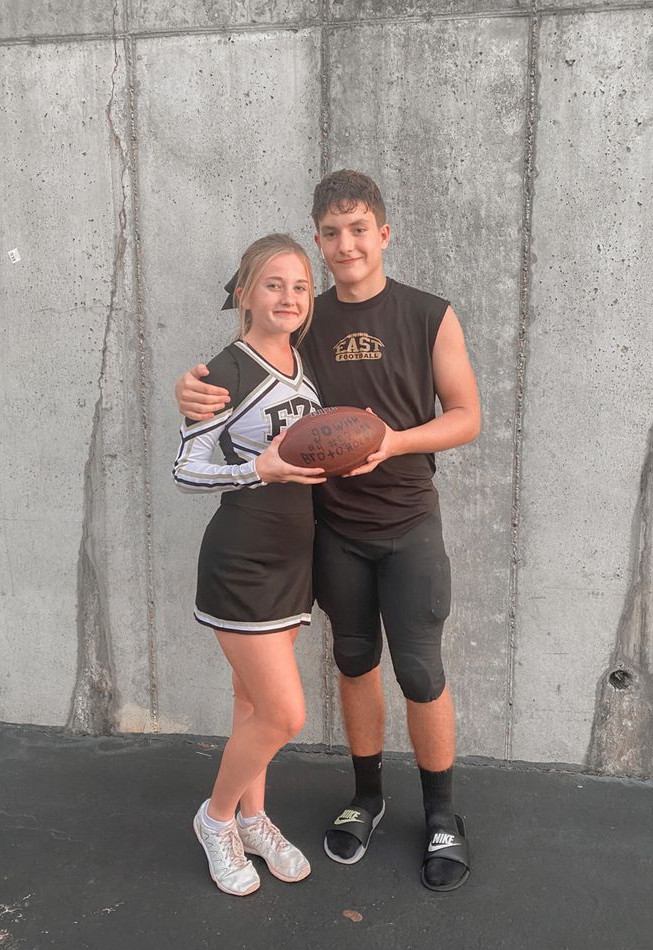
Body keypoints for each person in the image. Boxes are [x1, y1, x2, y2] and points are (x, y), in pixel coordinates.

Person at [175, 172, 481, 892]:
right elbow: (245, 364)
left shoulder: (429, 313)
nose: (346, 244)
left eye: (359, 229)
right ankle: (366, 798)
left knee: (420, 669)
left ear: (383, 232)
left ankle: (441, 814)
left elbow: (467, 415)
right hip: (331, 531)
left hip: (407, 521)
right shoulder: (307, 322)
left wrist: (392, 443)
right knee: (351, 661)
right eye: (332, 233)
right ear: (319, 240)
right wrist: (187, 391)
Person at [173, 234, 327, 896]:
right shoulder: (224, 370)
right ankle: (215, 818)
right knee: (285, 714)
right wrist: (253, 468)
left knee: (252, 704)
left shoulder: (302, 359)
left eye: (299, 286)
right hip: (241, 564)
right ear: (244, 294)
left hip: (294, 559)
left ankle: (256, 817)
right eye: (273, 284)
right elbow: (186, 468)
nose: (288, 296)